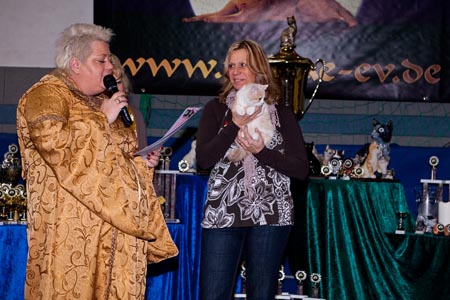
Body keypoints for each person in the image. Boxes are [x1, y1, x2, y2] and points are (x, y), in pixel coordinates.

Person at [16, 23, 178, 300]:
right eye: (100, 60)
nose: (109, 68)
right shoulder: (46, 95)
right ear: (75, 65)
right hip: (70, 235)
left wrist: (142, 164)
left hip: (114, 231)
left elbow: (117, 158)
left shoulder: (103, 101)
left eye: (108, 60)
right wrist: (100, 119)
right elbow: (54, 144)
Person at [196, 39, 309, 300]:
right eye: (231, 65)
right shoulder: (215, 110)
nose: (235, 71)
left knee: (261, 294)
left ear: (258, 69)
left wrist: (263, 152)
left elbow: (301, 169)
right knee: (212, 293)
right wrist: (233, 124)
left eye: (243, 65)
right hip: (224, 213)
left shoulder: (281, 114)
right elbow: (204, 160)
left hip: (271, 215)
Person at [110, 53, 148, 149]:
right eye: (109, 84)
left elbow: (142, 152)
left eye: (118, 82)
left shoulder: (134, 114)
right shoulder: (88, 114)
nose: (115, 89)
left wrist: (149, 158)